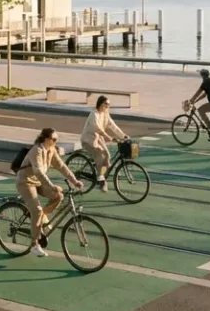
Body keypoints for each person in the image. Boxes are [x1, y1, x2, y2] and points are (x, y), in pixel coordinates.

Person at [15, 128, 82, 257]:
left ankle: (40, 221)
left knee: (58, 196)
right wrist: (51, 185)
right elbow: (38, 171)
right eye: (54, 139)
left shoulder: (51, 150)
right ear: (46, 140)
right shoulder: (37, 150)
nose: (56, 142)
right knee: (37, 210)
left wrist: (75, 181)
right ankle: (34, 244)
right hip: (25, 182)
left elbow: (61, 166)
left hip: (38, 182)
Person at [81, 96, 129, 193]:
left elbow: (112, 125)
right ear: (100, 104)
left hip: (98, 138)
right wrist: (109, 137)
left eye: (109, 105)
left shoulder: (105, 113)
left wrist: (123, 136)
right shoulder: (94, 114)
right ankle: (101, 179)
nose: (107, 106)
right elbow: (98, 128)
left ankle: (101, 171)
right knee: (100, 155)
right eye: (105, 104)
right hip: (89, 140)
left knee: (107, 155)